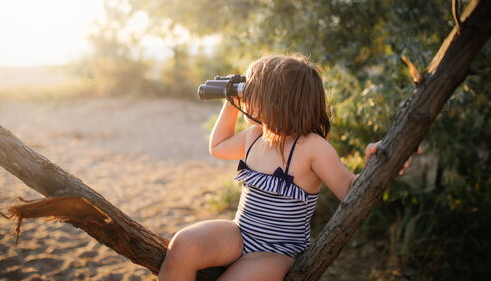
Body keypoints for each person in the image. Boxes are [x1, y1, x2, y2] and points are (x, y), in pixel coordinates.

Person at [158, 54, 393, 281]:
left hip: (276, 253)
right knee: (183, 244)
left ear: (276, 101)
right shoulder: (255, 136)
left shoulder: (312, 148)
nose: (246, 96)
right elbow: (218, 146)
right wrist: (231, 100)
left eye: (252, 91)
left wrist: (374, 162)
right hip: (240, 233)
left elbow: (349, 189)